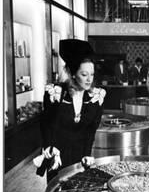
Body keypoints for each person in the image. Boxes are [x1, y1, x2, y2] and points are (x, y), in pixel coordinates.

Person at [39, 39, 106, 181]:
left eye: (92, 74)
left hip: (79, 157)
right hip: (58, 157)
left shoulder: (95, 97)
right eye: (84, 74)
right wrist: (49, 148)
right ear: (73, 74)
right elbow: (46, 125)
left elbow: (91, 131)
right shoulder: (55, 93)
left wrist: (87, 154)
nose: (89, 79)